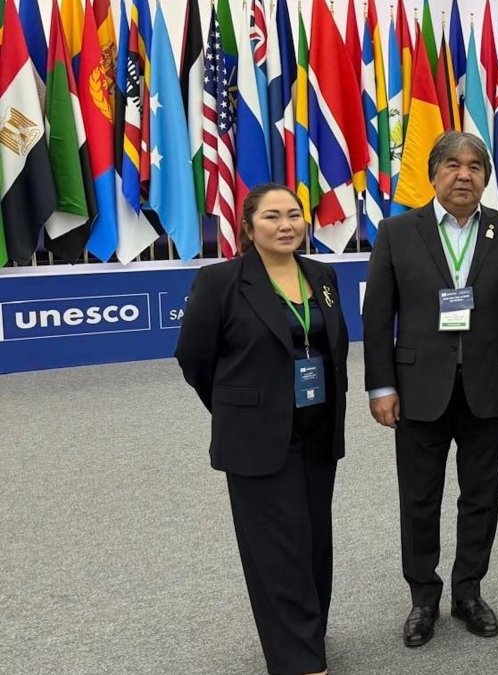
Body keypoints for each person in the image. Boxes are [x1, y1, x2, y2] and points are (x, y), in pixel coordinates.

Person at [361, 131, 498, 646]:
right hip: (418, 388)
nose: (465, 175)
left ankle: (468, 591)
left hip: (490, 385)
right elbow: (378, 318)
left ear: (486, 178)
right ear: (433, 173)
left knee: (480, 496)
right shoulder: (397, 231)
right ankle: (423, 597)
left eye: (475, 167)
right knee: (419, 498)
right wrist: (381, 386)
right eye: (453, 166)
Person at [176, 184, 349, 675]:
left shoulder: (323, 275)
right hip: (257, 434)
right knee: (277, 545)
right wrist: (239, 406)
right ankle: (297, 660)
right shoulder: (221, 281)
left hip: (317, 428)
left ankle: (309, 632)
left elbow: (334, 346)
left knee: (315, 538)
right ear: (249, 227)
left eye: (294, 215)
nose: (286, 225)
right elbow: (194, 358)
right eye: (272, 217)